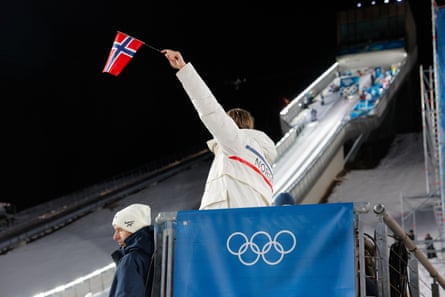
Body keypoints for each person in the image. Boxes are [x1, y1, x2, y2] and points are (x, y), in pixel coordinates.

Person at [162, 49, 277, 210]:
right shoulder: (265, 161)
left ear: (231, 123)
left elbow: (210, 110)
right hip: (251, 224)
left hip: (224, 223)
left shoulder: (236, 141)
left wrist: (184, 69)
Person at [108, 203, 155, 297]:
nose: (115, 237)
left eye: (120, 230)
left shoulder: (130, 260)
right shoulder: (154, 253)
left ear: (133, 229)